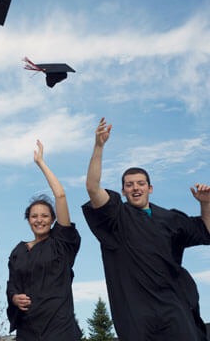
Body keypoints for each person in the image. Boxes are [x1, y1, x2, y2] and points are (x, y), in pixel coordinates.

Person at [83, 117, 210, 341]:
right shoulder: (116, 216)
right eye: (129, 185)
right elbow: (93, 188)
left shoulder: (170, 218)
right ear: (123, 191)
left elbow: (206, 231)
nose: (135, 188)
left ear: (150, 188)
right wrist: (99, 146)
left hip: (173, 305)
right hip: (135, 311)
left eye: (140, 183)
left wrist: (205, 203)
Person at [6, 140, 81, 340]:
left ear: (53, 219)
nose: (39, 220)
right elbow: (12, 284)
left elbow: (61, 195)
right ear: (28, 220)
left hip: (59, 327)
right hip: (28, 328)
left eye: (45, 216)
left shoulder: (61, 244)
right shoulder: (18, 251)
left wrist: (40, 163)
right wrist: (14, 298)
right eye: (34, 216)